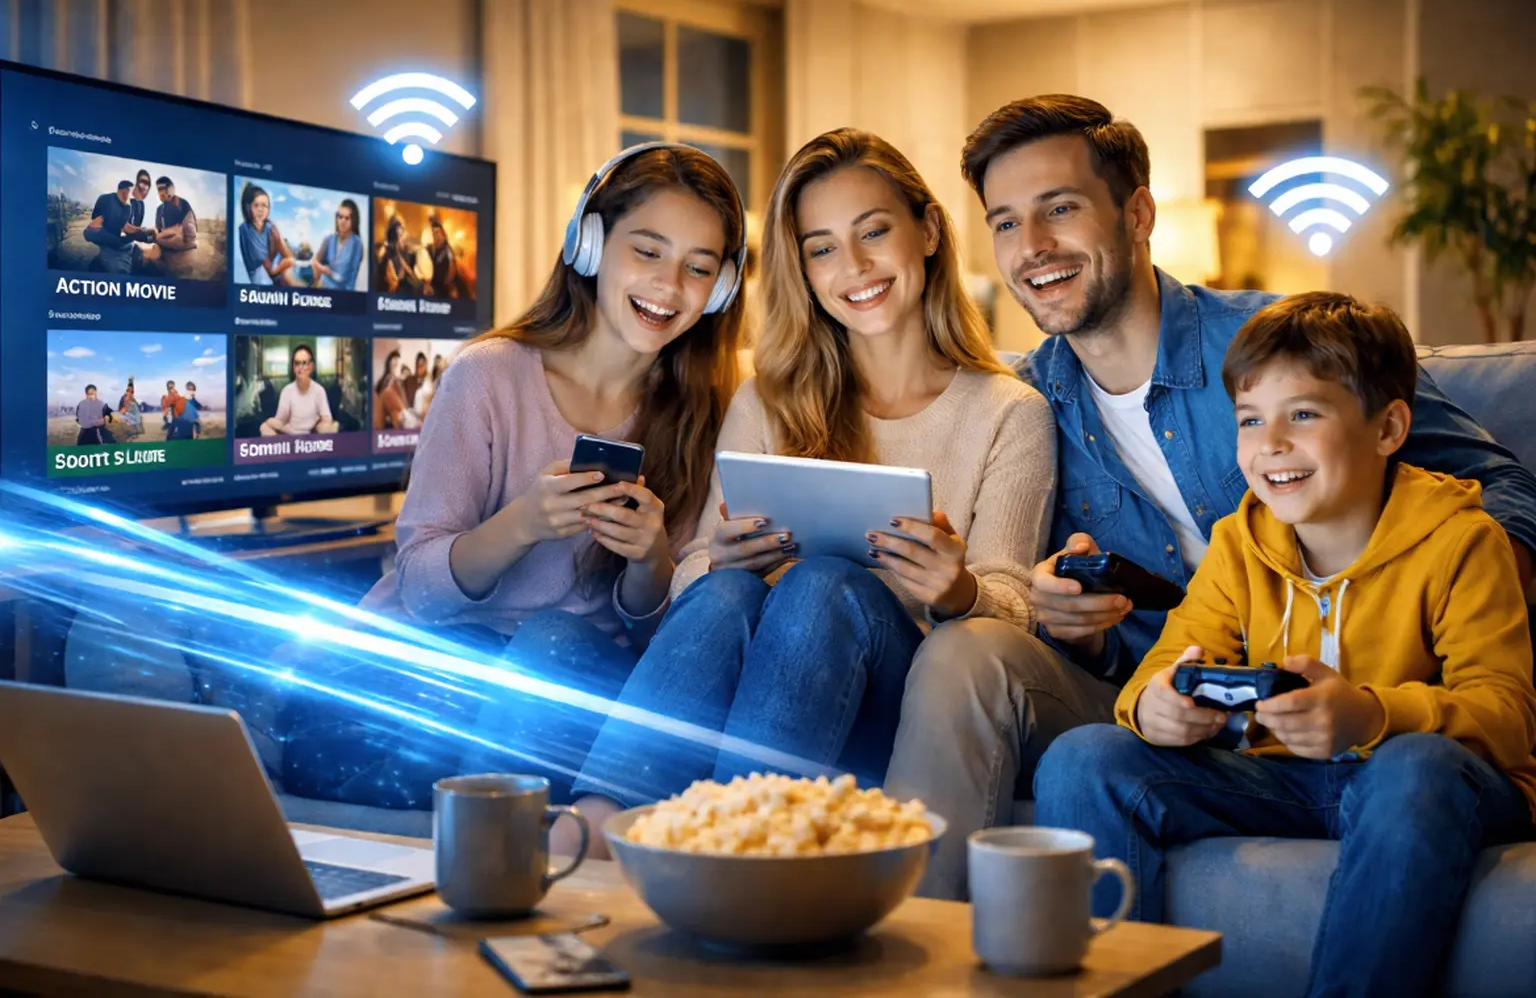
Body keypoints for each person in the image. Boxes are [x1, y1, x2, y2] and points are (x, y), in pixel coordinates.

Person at [883, 93, 1536, 900]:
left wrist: (1430, 597)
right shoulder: (1020, 408)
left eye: (1060, 208)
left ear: (1138, 213)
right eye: (1007, 222)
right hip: (1163, 701)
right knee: (967, 651)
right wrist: (1074, 627)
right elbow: (1082, 632)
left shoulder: (1275, 348)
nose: (1033, 247)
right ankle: (921, 943)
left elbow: (1507, 487)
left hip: (1363, 703)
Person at [1034, 293, 1536, 998]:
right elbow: (1163, 663)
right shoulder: (1241, 542)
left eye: (1302, 414)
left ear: (1389, 427)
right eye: (1248, 420)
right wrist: (1156, 707)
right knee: (1084, 757)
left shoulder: (1462, 539)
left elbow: (1507, 717)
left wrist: (1369, 716)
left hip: (1419, 784)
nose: (1269, 444)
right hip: (1288, 782)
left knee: (1413, 765)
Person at [571, 128, 1056, 854]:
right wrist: (721, 560)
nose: (853, 266)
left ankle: (746, 847)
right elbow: (694, 581)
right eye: (822, 247)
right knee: (729, 591)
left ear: (927, 231)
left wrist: (957, 590)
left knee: (825, 583)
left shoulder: (1008, 412)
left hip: (898, 703)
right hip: (778, 690)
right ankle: (594, 831)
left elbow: (1017, 612)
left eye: (873, 232)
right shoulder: (768, 401)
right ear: (802, 268)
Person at [277, 143, 749, 813]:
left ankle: (482, 840)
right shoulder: (488, 375)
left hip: (562, 678)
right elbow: (422, 592)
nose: (669, 286)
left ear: (723, 287)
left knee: (553, 645)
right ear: (589, 245)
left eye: (698, 268)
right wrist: (523, 524)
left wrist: (650, 558)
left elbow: (663, 650)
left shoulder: (705, 417)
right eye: (647, 252)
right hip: (436, 665)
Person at [260, 344, 337, 435]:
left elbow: (327, 420)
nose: (300, 367)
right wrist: (273, 423)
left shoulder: (319, 391)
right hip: (290, 435)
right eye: (297, 363)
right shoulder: (287, 391)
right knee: (264, 427)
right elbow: (280, 420)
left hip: (313, 438)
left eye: (304, 363)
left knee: (335, 426)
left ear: (311, 366)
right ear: (293, 367)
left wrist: (319, 427)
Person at [237, 183, 297, 286]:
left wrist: (278, 239)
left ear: (269, 209)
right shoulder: (245, 229)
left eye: (264, 205)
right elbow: (263, 264)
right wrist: (281, 266)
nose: (260, 209)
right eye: (256, 205)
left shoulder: (269, 227)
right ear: (248, 207)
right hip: (260, 280)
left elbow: (288, 256)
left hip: (273, 272)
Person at [82, 181, 136, 274]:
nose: (132, 197)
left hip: (123, 247)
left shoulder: (130, 206)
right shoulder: (105, 200)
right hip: (112, 247)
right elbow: (91, 229)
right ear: (123, 191)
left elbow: (126, 228)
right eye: (130, 193)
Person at [312, 199, 364, 290]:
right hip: (322, 289)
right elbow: (314, 262)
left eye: (347, 218)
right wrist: (324, 269)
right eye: (340, 217)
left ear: (353, 220)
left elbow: (352, 279)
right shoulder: (328, 239)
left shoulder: (357, 244)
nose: (342, 221)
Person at [372, 350, 415, 431]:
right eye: (394, 364)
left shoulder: (398, 383)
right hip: (386, 423)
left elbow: (403, 403)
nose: (397, 367)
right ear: (389, 364)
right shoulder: (387, 382)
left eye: (398, 364)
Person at [426, 216, 465, 298]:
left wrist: (447, 286)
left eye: (437, 232)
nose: (435, 236)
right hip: (434, 286)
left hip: (444, 289)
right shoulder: (430, 249)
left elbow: (452, 271)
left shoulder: (448, 250)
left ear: (443, 234)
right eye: (433, 233)